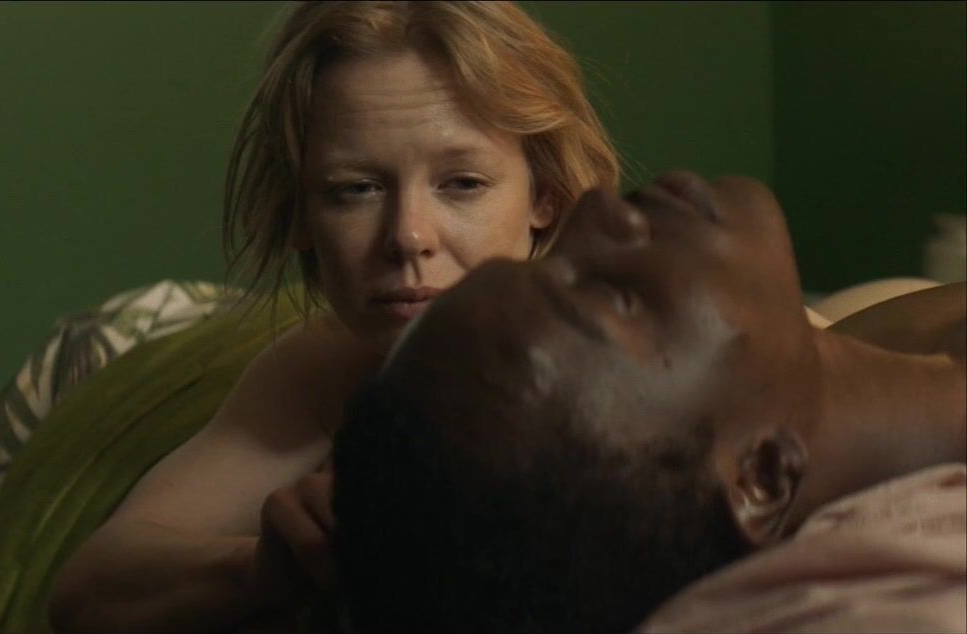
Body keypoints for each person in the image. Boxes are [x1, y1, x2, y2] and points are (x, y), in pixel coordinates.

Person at [47, 2, 620, 632]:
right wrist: (267, 567)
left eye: (462, 183)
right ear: (299, 212)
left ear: (545, 195)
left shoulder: (626, 369)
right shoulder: (328, 368)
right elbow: (88, 592)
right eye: (356, 189)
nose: (408, 236)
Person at [332, 171, 966, 632]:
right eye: (611, 295)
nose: (596, 207)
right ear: (762, 477)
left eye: (554, 256)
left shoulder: (879, 335)